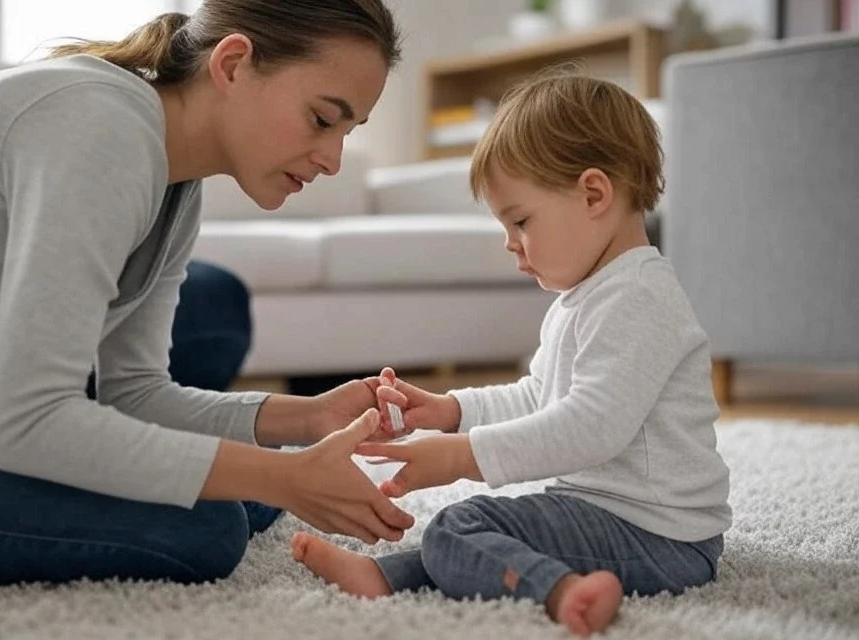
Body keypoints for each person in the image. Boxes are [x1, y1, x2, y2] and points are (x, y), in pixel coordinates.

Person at [0, 0, 416, 587]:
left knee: (249, 489)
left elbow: (133, 396)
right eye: (321, 119)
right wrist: (278, 477)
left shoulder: (174, 182)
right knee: (208, 525)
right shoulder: (97, 130)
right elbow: (31, 424)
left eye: (347, 131)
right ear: (232, 63)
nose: (333, 161)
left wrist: (308, 417)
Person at [291, 71, 733, 637]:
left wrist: (459, 456)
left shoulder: (640, 297)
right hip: (615, 515)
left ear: (594, 194)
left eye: (520, 220)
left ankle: (560, 593)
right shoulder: (587, 297)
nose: (509, 242)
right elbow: (537, 398)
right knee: (478, 534)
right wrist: (451, 411)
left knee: (461, 525)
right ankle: (387, 579)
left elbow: (591, 427)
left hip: (662, 537)